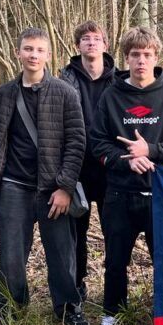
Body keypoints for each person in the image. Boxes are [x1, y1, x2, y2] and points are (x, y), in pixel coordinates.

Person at [89, 27, 163, 325]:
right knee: (116, 261)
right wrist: (125, 160)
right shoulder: (111, 96)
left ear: (156, 57)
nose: (141, 61)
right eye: (135, 55)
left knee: (162, 259)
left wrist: (150, 151)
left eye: (147, 54)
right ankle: (112, 314)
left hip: (160, 196)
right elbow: (97, 143)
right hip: (119, 194)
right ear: (127, 58)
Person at [0, 28, 87, 325]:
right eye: (28, 49)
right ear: (18, 53)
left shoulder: (66, 92)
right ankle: (11, 306)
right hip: (14, 185)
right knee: (11, 254)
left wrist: (65, 186)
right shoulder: (4, 94)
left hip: (52, 188)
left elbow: (76, 142)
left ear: (48, 55)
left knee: (61, 253)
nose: (33, 55)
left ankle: (68, 308)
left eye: (39, 50)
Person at [59, 20, 116, 303]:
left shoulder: (119, 79)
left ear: (105, 45)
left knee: (113, 232)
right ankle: (77, 287)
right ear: (77, 45)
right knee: (76, 235)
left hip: (110, 170)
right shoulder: (64, 79)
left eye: (96, 38)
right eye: (85, 39)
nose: (91, 43)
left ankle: (113, 290)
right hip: (76, 168)